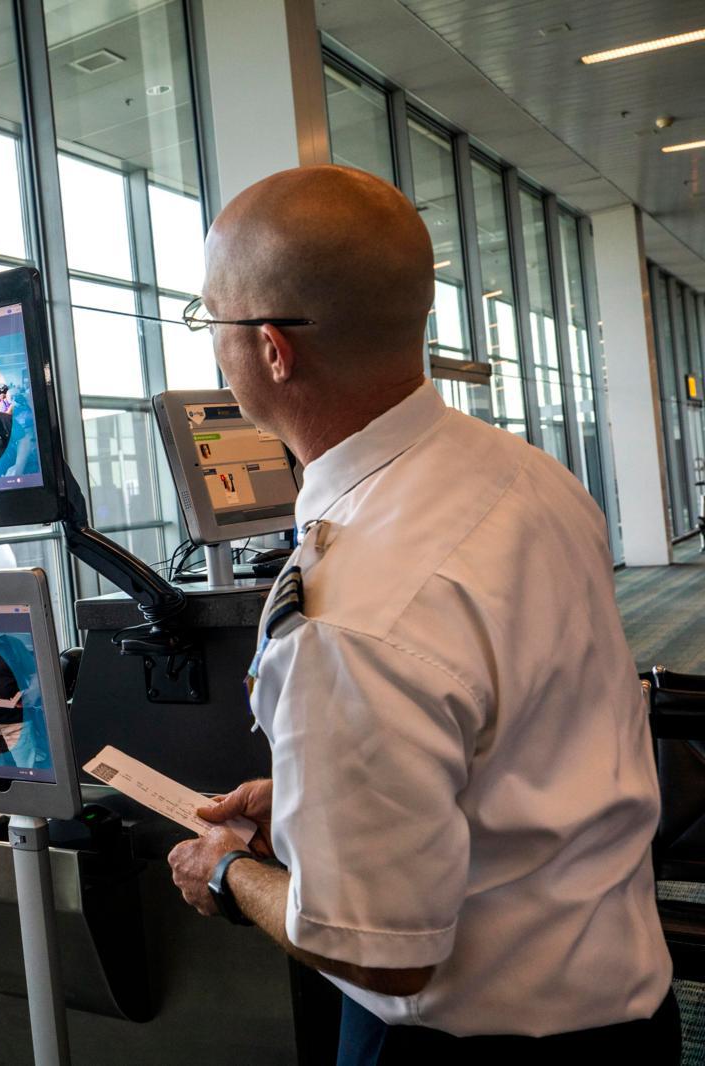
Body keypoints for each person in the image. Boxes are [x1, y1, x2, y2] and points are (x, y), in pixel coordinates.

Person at [164, 166, 677, 1061]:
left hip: (462, 1038)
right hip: (627, 1005)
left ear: (274, 350)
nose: (210, 341)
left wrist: (231, 872)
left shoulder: (352, 612)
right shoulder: (527, 477)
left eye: (210, 318)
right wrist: (313, 802)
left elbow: (374, 951)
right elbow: (518, 734)